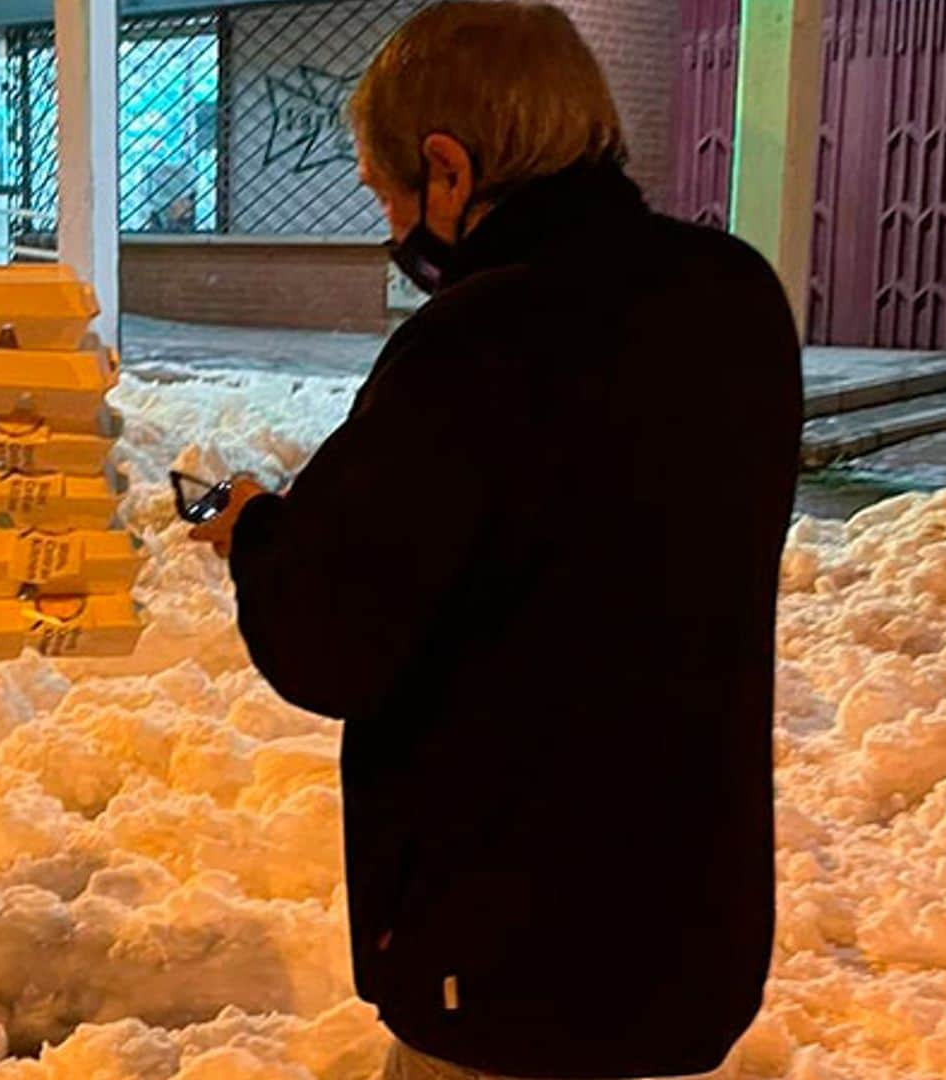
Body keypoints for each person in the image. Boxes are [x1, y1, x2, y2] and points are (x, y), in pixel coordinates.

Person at [189, 3, 800, 1077]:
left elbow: (333, 639)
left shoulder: (480, 338)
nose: (389, 226)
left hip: (509, 957)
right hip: (692, 931)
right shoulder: (735, 298)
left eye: (386, 192)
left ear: (449, 169)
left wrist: (255, 533)